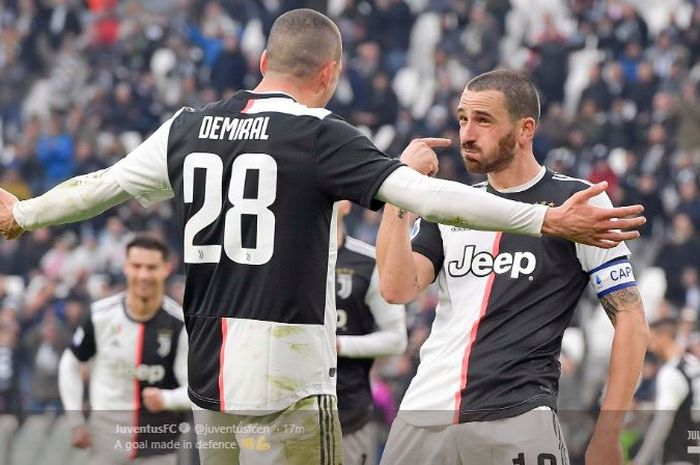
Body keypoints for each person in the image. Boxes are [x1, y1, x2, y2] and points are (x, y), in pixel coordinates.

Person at [0, 9, 645, 465]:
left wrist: (22, 216)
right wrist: (544, 219)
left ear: (261, 62)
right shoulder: (319, 134)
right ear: (330, 73)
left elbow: (100, 185)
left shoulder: (186, 127)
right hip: (290, 379)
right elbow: (421, 203)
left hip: (209, 378)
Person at [376, 70, 649, 465]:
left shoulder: (576, 203)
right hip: (424, 415)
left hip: (517, 418)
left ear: (525, 130)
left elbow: (630, 317)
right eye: (462, 118)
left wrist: (608, 432)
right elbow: (396, 288)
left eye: (483, 120)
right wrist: (399, 190)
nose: (467, 133)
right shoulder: (450, 205)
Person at [58, 235, 189, 465]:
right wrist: (75, 420)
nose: (143, 275)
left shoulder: (180, 325)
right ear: (126, 267)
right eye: (137, 266)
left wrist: (167, 399)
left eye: (151, 267)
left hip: (159, 449)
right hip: (105, 447)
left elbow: (196, 391)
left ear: (166, 268)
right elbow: (70, 364)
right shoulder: (100, 316)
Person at [335, 200, 407, 465]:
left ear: (345, 204)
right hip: (288, 410)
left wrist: (338, 345)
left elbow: (397, 339)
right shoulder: (283, 263)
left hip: (350, 410)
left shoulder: (368, 262)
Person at [631, 318, 700, 465]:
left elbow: (663, 421)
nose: (648, 342)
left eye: (652, 335)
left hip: (679, 455)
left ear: (663, 337)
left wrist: (640, 460)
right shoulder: (693, 364)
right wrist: (643, 408)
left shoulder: (671, 372)